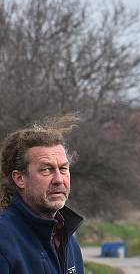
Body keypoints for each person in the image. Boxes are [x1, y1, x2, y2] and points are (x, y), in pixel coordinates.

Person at [0, 115, 84, 274]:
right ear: (20, 179)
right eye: (46, 169)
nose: (59, 179)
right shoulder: (4, 242)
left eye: (63, 169)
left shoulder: (68, 239)